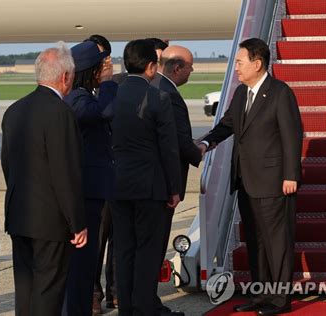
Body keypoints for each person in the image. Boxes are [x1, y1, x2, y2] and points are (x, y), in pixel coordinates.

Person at [198, 38, 302, 316]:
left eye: (240, 62)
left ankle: (280, 300)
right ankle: (260, 296)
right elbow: (227, 124)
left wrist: (291, 175)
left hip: (274, 181)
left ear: (257, 63)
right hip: (245, 180)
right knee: (255, 242)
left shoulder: (280, 93)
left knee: (276, 243)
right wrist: (207, 143)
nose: (236, 68)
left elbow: (292, 136)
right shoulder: (241, 93)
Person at [1, 43, 87, 316]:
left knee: (25, 290)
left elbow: (8, 165)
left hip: (20, 215)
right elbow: (66, 172)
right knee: (48, 292)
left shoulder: (14, 110)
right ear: (65, 76)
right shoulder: (61, 113)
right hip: (51, 221)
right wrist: (77, 222)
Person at [111, 39, 182, 316]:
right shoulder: (158, 98)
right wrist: (174, 188)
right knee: (148, 250)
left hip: (118, 183)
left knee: (124, 249)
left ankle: (126, 307)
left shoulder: (111, 96)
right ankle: (144, 307)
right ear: (151, 67)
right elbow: (169, 147)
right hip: (150, 185)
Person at [62, 40, 117, 316]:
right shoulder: (78, 98)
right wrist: (108, 83)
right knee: (81, 263)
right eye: (102, 67)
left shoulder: (81, 95)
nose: (106, 71)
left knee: (85, 262)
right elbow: (105, 112)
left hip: (91, 191)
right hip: (85, 192)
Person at [151, 45, 202, 316]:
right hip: (163, 186)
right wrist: (200, 150)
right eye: (190, 67)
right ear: (177, 68)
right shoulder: (168, 94)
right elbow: (179, 143)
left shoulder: (154, 86)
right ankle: (149, 303)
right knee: (154, 244)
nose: (192, 72)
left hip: (149, 183)